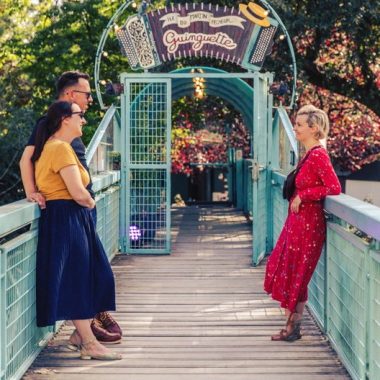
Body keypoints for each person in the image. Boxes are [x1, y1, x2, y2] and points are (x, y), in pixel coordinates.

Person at [19, 71, 122, 345]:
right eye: (86, 94)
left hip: (80, 212)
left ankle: (85, 331)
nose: (89, 99)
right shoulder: (50, 126)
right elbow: (26, 159)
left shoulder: (67, 132)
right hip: (69, 210)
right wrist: (32, 191)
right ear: (69, 95)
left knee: (91, 271)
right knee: (81, 272)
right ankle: (86, 334)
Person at [264, 105, 341, 341]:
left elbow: (334, 187)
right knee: (288, 270)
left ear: (313, 128)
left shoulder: (318, 155)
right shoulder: (308, 154)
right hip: (297, 222)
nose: (295, 128)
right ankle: (292, 326)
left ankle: (292, 327)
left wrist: (303, 195)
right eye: (295, 124)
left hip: (309, 225)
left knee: (296, 272)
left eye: (299, 124)